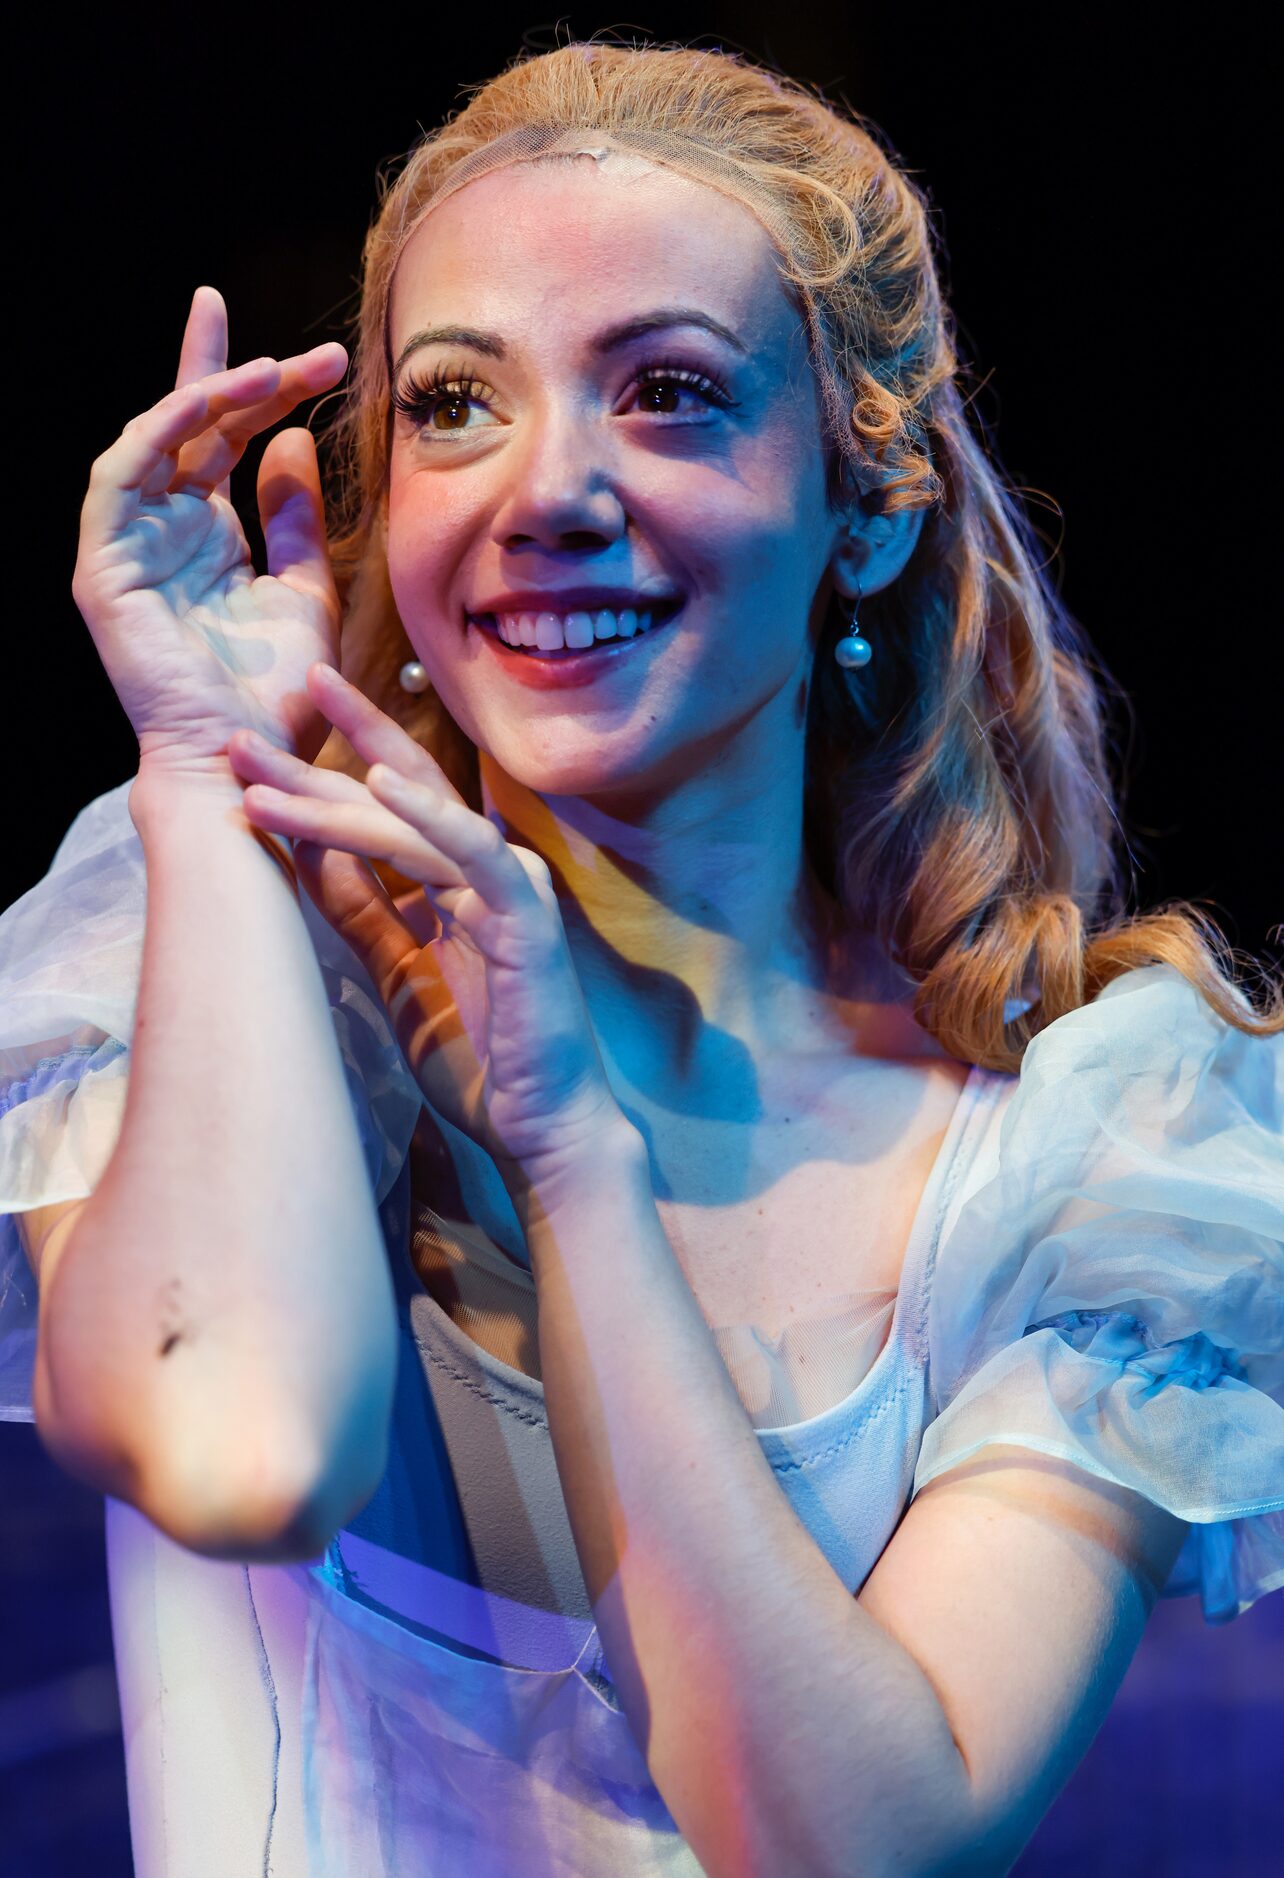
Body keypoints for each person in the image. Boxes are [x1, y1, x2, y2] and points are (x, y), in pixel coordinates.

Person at [1, 37, 1281, 1877]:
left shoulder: (1094, 1154)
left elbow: (845, 1837)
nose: (548, 492)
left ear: (868, 502)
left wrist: (569, 1148)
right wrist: (209, 775)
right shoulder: (207, 954)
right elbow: (237, 1447)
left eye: (668, 391)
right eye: (456, 404)